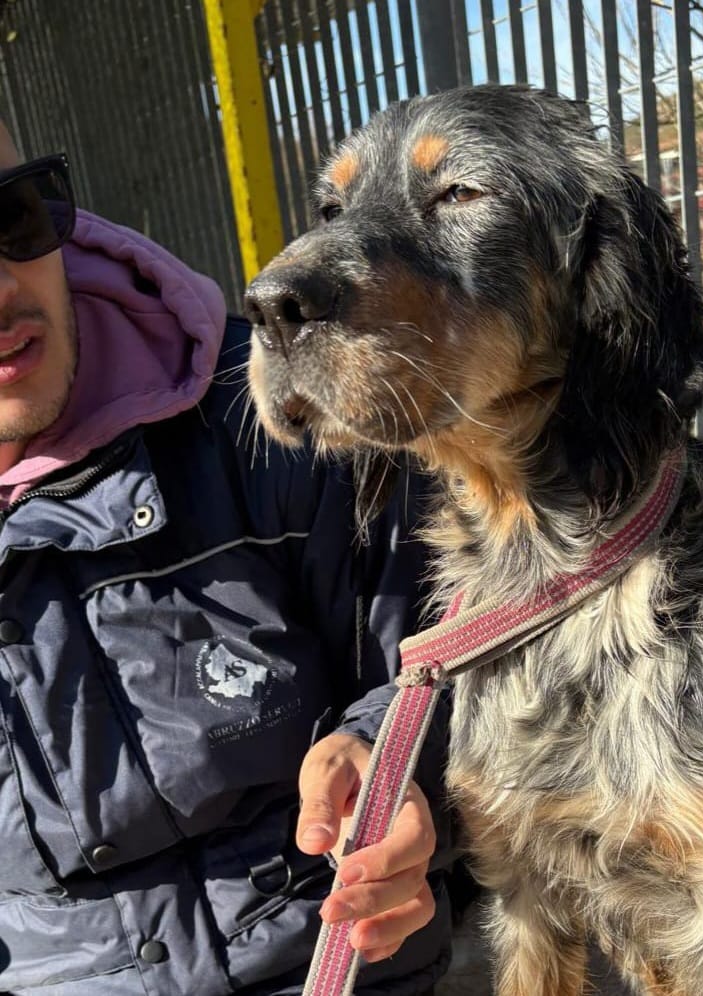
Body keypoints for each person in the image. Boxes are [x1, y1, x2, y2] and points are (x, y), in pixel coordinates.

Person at [0, 120, 452, 994]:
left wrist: (392, 761)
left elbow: (448, 656)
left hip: (342, 963)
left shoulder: (272, 415)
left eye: (10, 217)